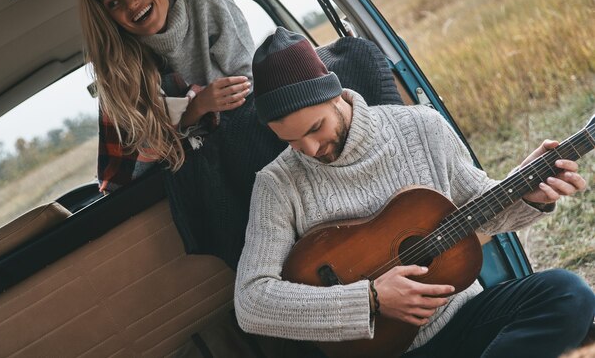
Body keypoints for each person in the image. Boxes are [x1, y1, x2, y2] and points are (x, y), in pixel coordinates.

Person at [234, 27, 595, 357]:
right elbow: (251, 302)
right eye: (291, 141)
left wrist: (529, 194)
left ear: (335, 96)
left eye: (316, 128)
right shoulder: (277, 184)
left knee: (569, 293)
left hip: (464, 319)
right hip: (385, 353)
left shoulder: (421, 127)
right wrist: (370, 300)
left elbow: (480, 206)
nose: (310, 149)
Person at [78, 0, 254, 192]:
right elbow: (136, 166)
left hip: (245, 139)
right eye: (114, 3)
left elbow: (250, 84)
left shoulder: (202, 1)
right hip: (195, 183)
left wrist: (195, 113)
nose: (130, 3)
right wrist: (197, 106)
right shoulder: (120, 69)